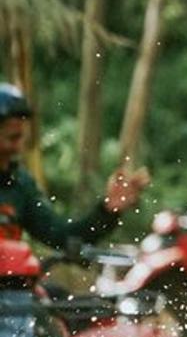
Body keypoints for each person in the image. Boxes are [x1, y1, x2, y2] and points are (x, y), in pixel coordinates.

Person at [0, 83, 149, 248]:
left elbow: (62, 236)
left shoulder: (20, 185)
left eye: (20, 137)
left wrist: (108, 209)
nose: (18, 147)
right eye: (12, 138)